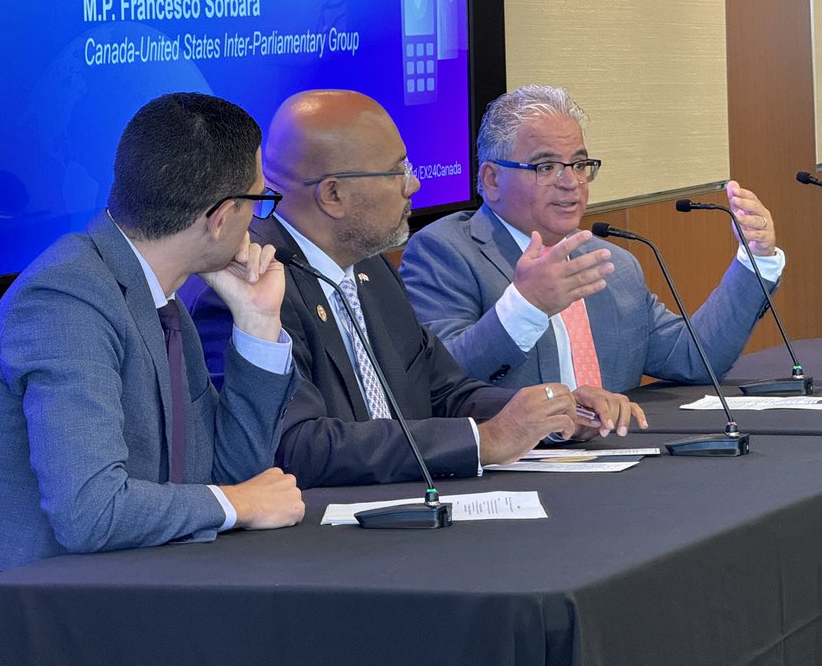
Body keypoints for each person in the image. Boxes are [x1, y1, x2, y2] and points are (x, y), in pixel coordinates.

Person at [0, 93, 305, 666]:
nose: (259, 220)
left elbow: (227, 471)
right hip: (26, 634)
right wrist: (239, 504)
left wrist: (256, 322)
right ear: (220, 216)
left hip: (119, 606)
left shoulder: (159, 296)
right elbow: (90, 512)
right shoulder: (67, 298)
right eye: (259, 200)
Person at [189, 89, 645, 489]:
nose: (414, 184)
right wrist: (483, 441)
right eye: (396, 171)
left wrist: (549, 413)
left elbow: (443, 392)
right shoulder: (250, 283)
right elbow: (298, 447)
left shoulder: (370, 268)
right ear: (332, 195)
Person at [400, 84, 785, 392]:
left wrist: (756, 260)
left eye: (580, 164)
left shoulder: (611, 264)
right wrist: (527, 305)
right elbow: (443, 381)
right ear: (492, 179)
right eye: (546, 166)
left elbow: (694, 358)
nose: (571, 183)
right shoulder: (445, 252)